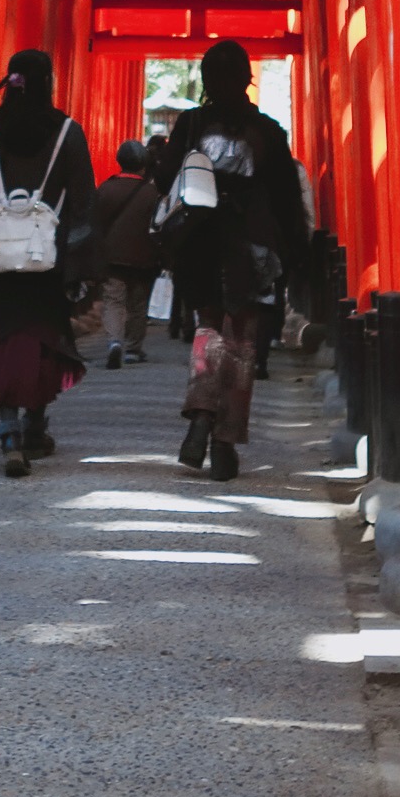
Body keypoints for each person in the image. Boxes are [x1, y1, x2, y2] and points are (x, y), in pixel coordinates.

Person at [147, 40, 310, 482]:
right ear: (246, 78)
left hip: (201, 239)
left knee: (208, 326)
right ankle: (224, 442)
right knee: (242, 340)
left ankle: (200, 412)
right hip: (251, 243)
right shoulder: (268, 130)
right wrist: (295, 250)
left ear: (205, 79)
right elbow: (286, 198)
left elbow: (164, 178)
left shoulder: (192, 123)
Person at [0, 48, 98, 478]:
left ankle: (7, 432)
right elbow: (83, 202)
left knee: (3, 338)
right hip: (47, 256)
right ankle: (35, 426)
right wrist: (79, 265)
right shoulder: (67, 133)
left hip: (1, 257)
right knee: (41, 340)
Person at [87, 140, 163, 369]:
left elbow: (94, 223)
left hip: (111, 256)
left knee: (113, 301)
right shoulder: (152, 193)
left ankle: (113, 342)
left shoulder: (106, 188)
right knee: (138, 303)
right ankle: (132, 348)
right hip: (143, 257)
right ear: (143, 165)